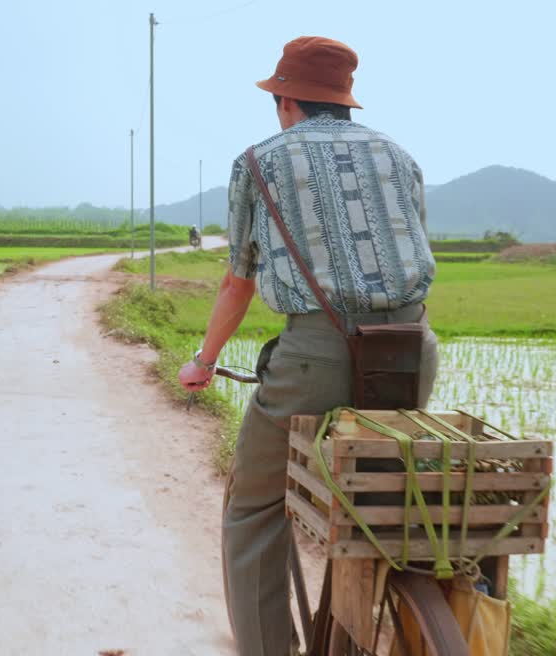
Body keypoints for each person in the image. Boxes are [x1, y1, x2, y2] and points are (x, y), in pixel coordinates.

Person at [177, 36, 438, 656]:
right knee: (379, 500)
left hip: (314, 356)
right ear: (346, 102)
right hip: (408, 349)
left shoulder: (260, 162)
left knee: (254, 506)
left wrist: (204, 361)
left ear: (286, 100)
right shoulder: (399, 158)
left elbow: (239, 279)